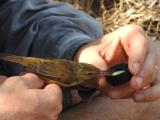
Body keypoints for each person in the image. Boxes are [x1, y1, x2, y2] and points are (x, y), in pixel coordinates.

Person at [0, 0, 160, 120]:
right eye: (90, 73)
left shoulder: (78, 73)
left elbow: (14, 11)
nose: (94, 74)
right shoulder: (71, 77)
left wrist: (77, 49)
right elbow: (49, 73)